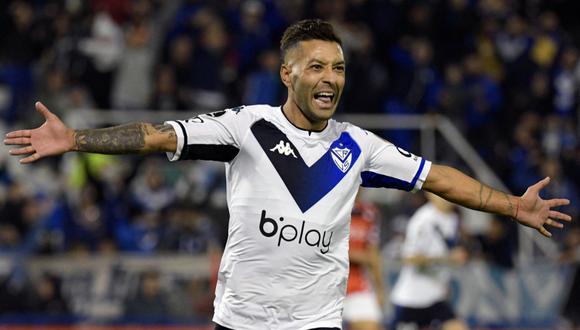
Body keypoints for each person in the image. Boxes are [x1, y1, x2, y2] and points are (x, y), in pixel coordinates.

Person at [4, 19, 571, 330]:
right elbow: (158, 135)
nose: (331, 78)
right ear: (287, 74)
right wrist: (76, 139)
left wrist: (509, 206)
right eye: (318, 66)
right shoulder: (245, 127)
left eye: (339, 68)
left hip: (316, 323)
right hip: (242, 321)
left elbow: (438, 177)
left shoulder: (358, 146)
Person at [390, 193, 468, 330]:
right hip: (412, 299)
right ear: (430, 195)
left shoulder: (453, 218)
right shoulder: (422, 220)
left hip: (436, 296)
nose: (447, 196)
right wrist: (448, 258)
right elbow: (410, 259)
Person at [343, 198, 385, 330]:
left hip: (357, 286)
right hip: (324, 285)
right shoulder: (324, 206)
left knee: (372, 326)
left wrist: (379, 290)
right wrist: (358, 256)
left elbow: (373, 254)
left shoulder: (369, 212)